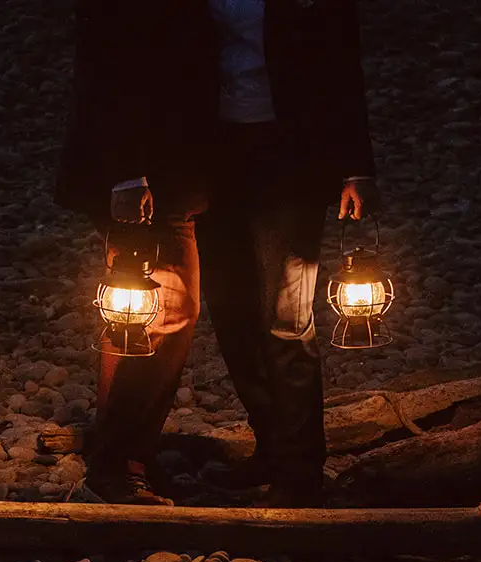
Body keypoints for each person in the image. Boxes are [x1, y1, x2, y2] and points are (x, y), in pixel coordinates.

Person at [55, 0, 379, 508]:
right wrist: (128, 170)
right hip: (181, 158)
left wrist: (354, 163)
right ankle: (119, 466)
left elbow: (335, 53)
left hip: (257, 155)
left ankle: (290, 468)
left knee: (274, 313)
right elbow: (115, 57)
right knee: (174, 309)